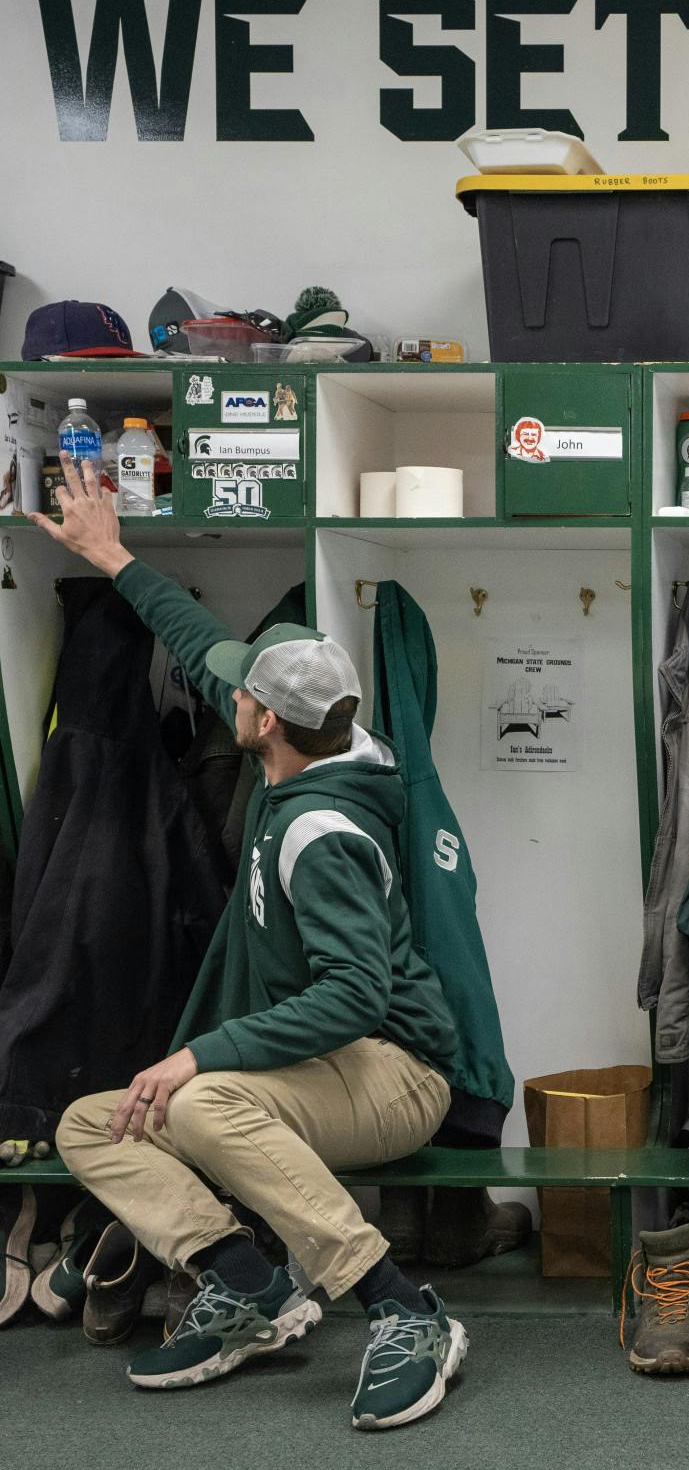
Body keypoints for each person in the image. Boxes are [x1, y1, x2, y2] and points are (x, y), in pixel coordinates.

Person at [35, 467, 468, 1431]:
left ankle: (403, 1306)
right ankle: (246, 1283)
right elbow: (201, 646)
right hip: (321, 1069)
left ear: (262, 721)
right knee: (91, 1122)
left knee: (200, 1093)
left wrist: (200, 1052)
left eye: (243, 693)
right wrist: (112, 555)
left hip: (395, 1071)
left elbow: (356, 994)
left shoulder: (324, 831)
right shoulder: (313, 733)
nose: (225, 690)